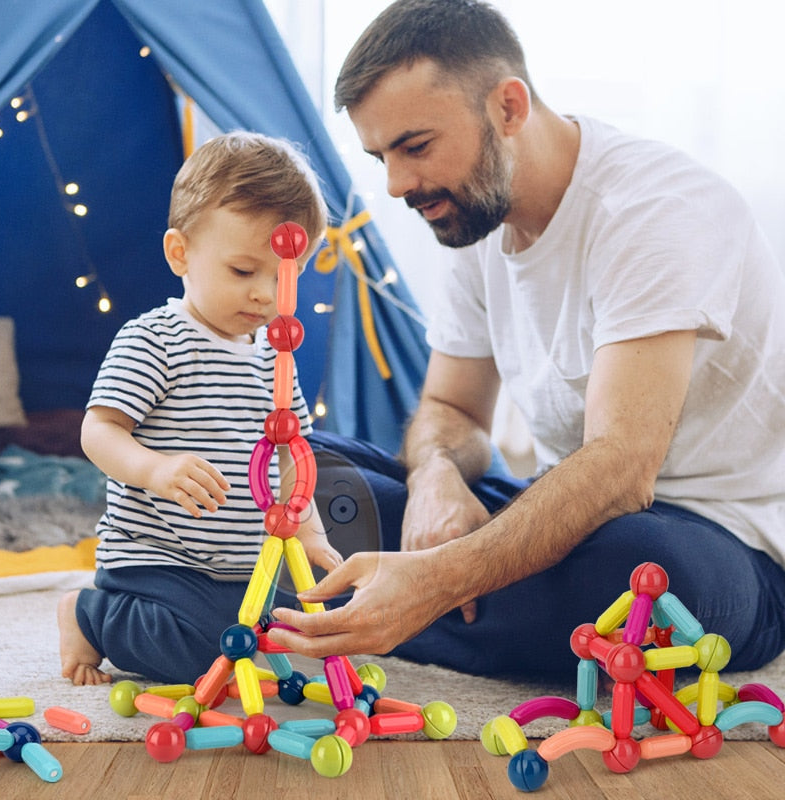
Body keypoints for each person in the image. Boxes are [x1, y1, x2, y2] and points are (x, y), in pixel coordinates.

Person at [270, 0, 785, 679]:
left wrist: (440, 576)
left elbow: (623, 471)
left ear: (508, 107)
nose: (397, 185)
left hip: (708, 538)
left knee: (636, 575)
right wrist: (436, 475)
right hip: (554, 506)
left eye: (415, 147)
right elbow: (451, 412)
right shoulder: (472, 218)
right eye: (381, 157)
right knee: (281, 461)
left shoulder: (653, 212)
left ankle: (327, 608)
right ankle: (382, 604)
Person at [57, 131, 341, 686]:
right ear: (180, 253)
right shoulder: (156, 339)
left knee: (292, 627)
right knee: (200, 656)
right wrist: (154, 468)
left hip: (242, 566)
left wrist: (308, 530)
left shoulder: (273, 359)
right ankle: (88, 614)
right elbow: (99, 430)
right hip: (156, 560)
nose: (265, 294)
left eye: (286, 274)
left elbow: (293, 460)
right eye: (243, 271)